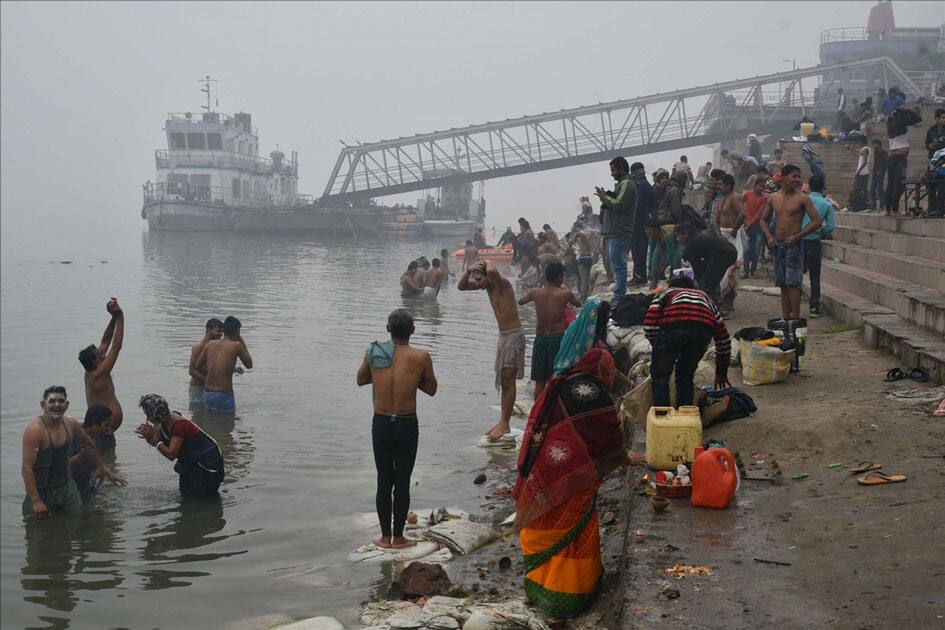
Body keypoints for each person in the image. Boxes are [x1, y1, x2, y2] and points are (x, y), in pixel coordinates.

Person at [512, 348, 646, 619]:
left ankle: (540, 593)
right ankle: (571, 596)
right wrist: (624, 457)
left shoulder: (559, 385)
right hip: (573, 477)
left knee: (544, 524)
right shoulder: (595, 395)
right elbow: (609, 438)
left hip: (545, 471)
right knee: (573, 530)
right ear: (604, 371)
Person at [356, 309, 436, 549]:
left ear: (388, 329)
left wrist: (382, 375)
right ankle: (399, 537)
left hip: (380, 423)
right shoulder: (421, 356)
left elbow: (361, 379)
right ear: (413, 329)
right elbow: (431, 389)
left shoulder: (374, 352)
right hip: (406, 423)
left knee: (384, 480)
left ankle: (384, 537)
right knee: (402, 481)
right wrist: (410, 379)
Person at [22, 386, 124, 518]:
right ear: (43, 405)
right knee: (38, 532)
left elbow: (89, 444)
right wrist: (36, 501)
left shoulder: (70, 424)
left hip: (67, 488)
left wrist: (101, 467)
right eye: (52, 401)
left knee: (75, 525)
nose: (57, 405)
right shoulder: (35, 430)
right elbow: (27, 468)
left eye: (61, 401)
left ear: (67, 405)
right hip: (42, 491)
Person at [459, 261, 525, 441]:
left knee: (508, 379)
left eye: (480, 279)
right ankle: (502, 421)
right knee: (503, 380)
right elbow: (461, 286)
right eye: (477, 279)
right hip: (503, 336)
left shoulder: (503, 284)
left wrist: (484, 263)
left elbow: (493, 270)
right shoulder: (487, 286)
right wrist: (468, 271)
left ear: (487, 276)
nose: (478, 283)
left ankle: (505, 423)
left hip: (513, 335)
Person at [644, 273, 731, 407]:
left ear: (671, 286)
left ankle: (663, 419)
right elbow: (723, 338)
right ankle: (685, 416)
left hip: (673, 326)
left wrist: (660, 348)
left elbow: (649, 325)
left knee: (660, 377)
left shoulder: (666, 292)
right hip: (703, 330)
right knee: (685, 375)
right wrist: (721, 371)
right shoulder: (705, 297)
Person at [760, 164, 823, 320]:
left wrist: (798, 236)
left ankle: (795, 319)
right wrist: (769, 236)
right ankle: (785, 318)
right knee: (782, 283)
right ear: (784, 177)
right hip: (778, 244)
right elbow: (763, 220)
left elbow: (816, 222)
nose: (797, 179)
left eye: (798, 176)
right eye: (793, 176)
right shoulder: (773, 197)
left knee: (793, 283)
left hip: (794, 245)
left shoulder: (803, 198)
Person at [135, 394, 225, 498]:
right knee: (185, 493)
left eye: (148, 415)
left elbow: (171, 454)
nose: (147, 418)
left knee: (198, 496)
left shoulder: (179, 425)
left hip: (206, 460)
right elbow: (160, 443)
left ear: (156, 415)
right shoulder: (164, 421)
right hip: (190, 460)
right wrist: (148, 436)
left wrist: (154, 440)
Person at [518, 262, 580, 400]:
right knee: (556, 377)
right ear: (559, 277)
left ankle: (537, 414)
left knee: (539, 381)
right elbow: (578, 303)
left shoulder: (536, 292)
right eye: (562, 276)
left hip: (540, 339)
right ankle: (552, 412)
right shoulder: (565, 293)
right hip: (556, 338)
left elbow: (521, 301)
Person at [78, 298, 125, 434]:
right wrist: (121, 317)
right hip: (101, 425)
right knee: (104, 451)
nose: (104, 355)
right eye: (101, 356)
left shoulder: (93, 368)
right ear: (95, 362)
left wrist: (113, 317)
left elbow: (106, 341)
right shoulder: (97, 375)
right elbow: (116, 347)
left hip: (104, 423)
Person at [594, 156, 636, 302]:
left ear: (621, 169)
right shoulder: (621, 184)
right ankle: (619, 295)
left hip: (620, 231)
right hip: (616, 232)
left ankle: (619, 297)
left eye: (613, 170)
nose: (611, 173)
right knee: (617, 264)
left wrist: (605, 198)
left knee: (619, 265)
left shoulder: (626, 183)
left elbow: (619, 204)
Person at [194, 316, 253, 414]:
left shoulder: (210, 344)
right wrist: (242, 342)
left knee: (209, 424)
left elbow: (197, 366)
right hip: (224, 394)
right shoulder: (237, 345)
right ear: (237, 331)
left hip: (208, 393)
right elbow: (249, 364)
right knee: (226, 425)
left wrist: (212, 373)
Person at [673, 223, 736, 307]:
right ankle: (719, 302)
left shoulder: (691, 244)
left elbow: (697, 269)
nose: (677, 239)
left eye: (678, 236)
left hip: (723, 255)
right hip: (727, 252)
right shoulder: (697, 237)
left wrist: (699, 286)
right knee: (709, 280)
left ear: (685, 234)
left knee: (706, 284)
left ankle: (714, 309)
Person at [803, 174, 836, 317]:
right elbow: (830, 227)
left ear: (809, 186)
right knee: (815, 276)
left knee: (796, 274)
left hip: (799, 240)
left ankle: (793, 307)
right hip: (814, 243)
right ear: (823, 188)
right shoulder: (827, 204)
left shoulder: (802, 200)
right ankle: (814, 307)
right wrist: (818, 231)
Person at [71, 404, 117, 502]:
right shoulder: (72, 437)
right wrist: (80, 457)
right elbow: (59, 466)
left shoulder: (97, 437)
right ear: (94, 424)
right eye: (106, 425)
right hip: (71, 488)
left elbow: (91, 461)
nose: (109, 429)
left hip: (86, 486)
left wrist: (107, 472)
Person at [713, 174, 745, 311]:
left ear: (728, 185)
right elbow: (716, 219)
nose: (718, 187)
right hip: (722, 236)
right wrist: (719, 234)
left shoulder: (734, 198)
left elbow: (742, 214)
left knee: (732, 269)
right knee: (721, 269)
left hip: (733, 235)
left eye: (721, 184)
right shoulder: (721, 200)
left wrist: (734, 230)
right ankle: (721, 298)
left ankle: (728, 300)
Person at [884, 106, 922, 215]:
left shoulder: (891, 123)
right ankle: (895, 209)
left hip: (892, 157)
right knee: (899, 184)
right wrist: (908, 110)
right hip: (899, 157)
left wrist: (895, 113)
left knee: (890, 184)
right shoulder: (900, 121)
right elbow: (918, 119)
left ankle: (888, 210)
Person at [189, 318, 224, 408]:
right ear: (208, 330)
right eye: (218, 331)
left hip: (211, 388)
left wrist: (232, 369)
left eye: (222, 332)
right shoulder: (198, 346)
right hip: (198, 388)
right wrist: (207, 381)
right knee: (198, 415)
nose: (220, 334)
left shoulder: (215, 346)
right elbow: (192, 371)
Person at [629, 162, 654, 286]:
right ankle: (641, 276)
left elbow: (637, 206)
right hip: (645, 219)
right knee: (642, 250)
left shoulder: (639, 185)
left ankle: (638, 277)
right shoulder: (647, 185)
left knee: (637, 250)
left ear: (633, 172)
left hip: (638, 222)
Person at [741, 175, 768, 279]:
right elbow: (740, 205)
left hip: (756, 227)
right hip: (746, 226)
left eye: (762, 186)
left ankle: (753, 271)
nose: (760, 188)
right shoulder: (747, 194)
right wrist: (743, 221)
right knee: (746, 250)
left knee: (756, 250)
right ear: (755, 185)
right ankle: (746, 271)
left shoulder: (764, 198)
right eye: (758, 185)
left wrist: (749, 224)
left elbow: (759, 214)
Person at [645, 219, 676, 289]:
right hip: (662, 242)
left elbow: (671, 253)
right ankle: (653, 286)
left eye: (648, 229)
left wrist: (664, 266)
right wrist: (650, 268)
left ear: (655, 230)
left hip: (676, 243)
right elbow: (651, 253)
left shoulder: (667, 235)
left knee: (676, 259)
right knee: (656, 256)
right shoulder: (652, 237)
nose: (646, 232)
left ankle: (674, 282)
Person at [569, 222, 594, 302]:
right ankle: (586, 296)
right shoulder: (589, 231)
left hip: (582, 258)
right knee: (587, 280)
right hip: (590, 257)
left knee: (584, 281)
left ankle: (583, 299)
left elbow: (574, 239)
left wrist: (572, 241)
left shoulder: (580, 233)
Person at [870, 139, 887, 210]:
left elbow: (885, 163)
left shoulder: (883, 152)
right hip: (875, 172)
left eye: (874, 144)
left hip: (880, 173)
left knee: (880, 190)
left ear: (878, 144)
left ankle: (881, 206)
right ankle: (874, 205)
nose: (873, 146)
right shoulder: (875, 152)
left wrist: (881, 170)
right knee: (872, 189)